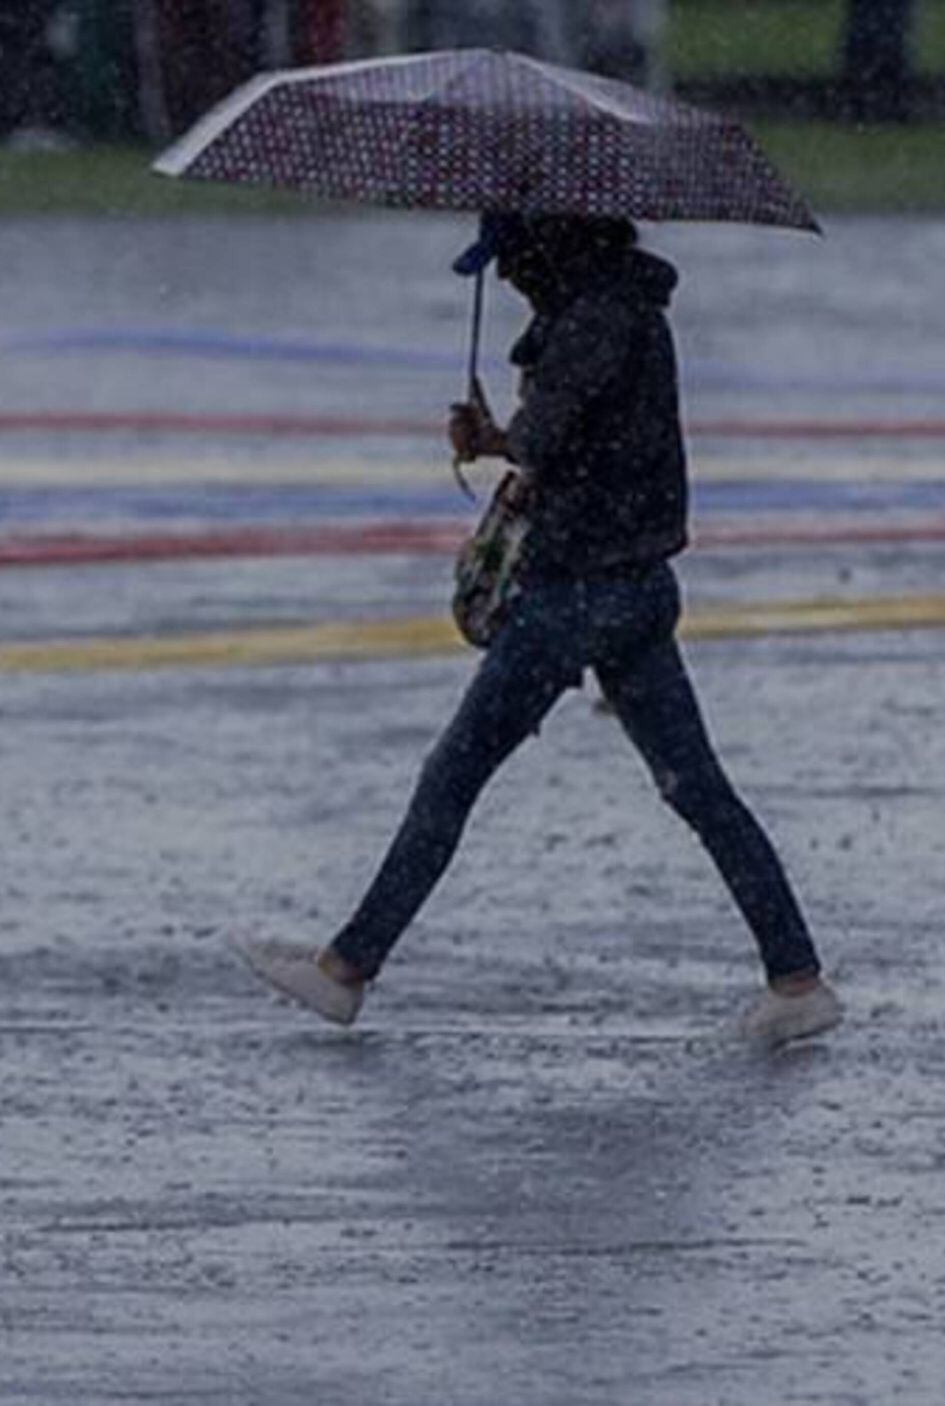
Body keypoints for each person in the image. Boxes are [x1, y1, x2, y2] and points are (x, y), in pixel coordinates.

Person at [233, 212, 843, 1050]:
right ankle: (796, 977)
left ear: (550, 247)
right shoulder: (621, 312)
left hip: (575, 594)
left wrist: (503, 439)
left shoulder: (593, 323)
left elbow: (553, 439)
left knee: (454, 773)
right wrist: (501, 438)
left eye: (512, 259)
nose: (509, 278)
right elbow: (588, 442)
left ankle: (346, 971)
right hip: (636, 584)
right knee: (695, 788)